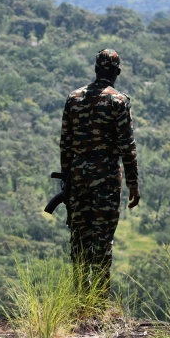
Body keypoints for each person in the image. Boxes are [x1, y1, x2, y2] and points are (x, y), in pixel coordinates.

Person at [60, 49, 140, 297]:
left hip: (77, 175)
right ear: (116, 72)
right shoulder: (118, 101)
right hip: (106, 175)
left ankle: (80, 298)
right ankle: (99, 302)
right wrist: (133, 184)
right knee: (102, 240)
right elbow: (127, 146)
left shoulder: (74, 99)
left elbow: (65, 145)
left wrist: (67, 182)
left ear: (96, 69)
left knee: (80, 240)